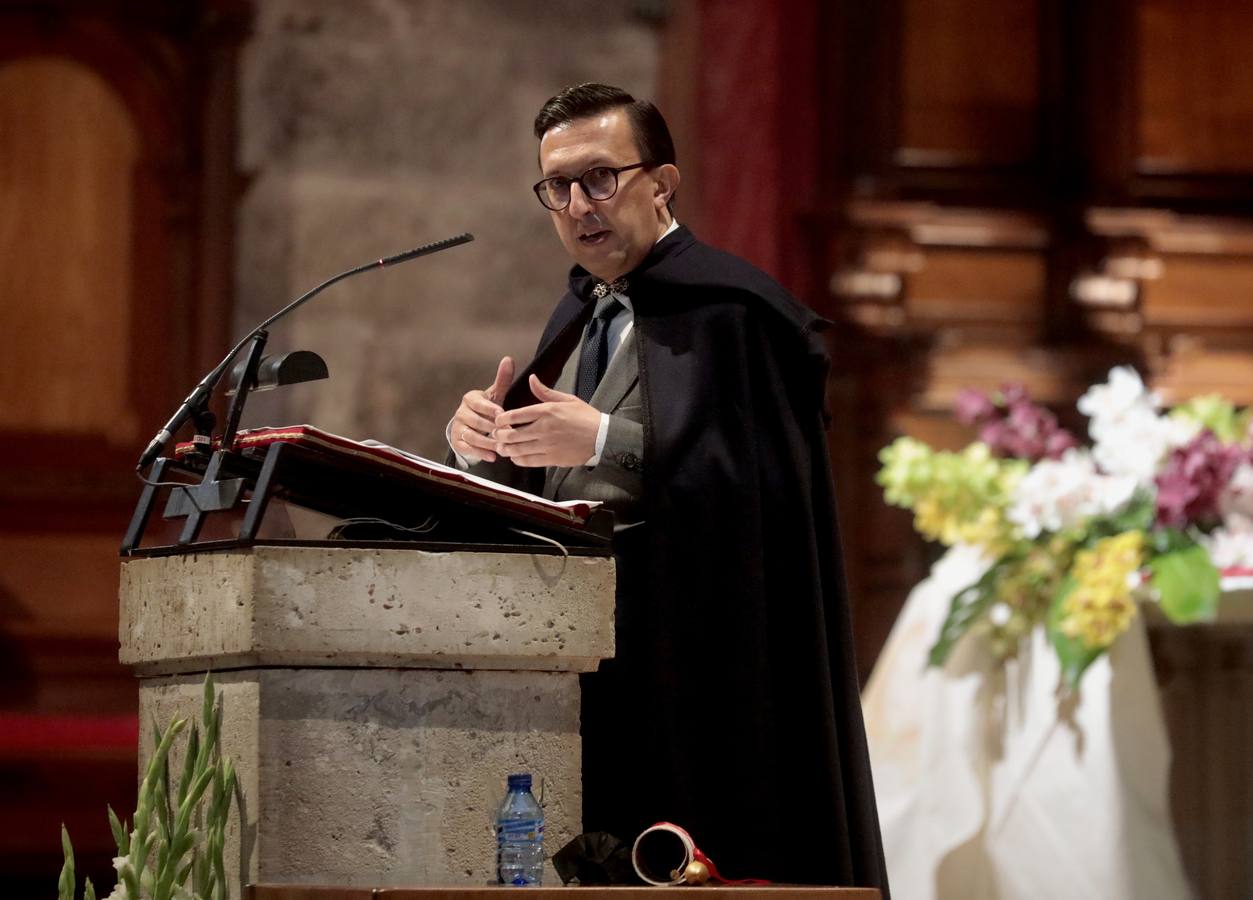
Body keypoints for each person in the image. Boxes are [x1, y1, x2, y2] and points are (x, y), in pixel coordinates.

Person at [447, 83, 887, 892]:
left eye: (600, 178)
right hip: (588, 643)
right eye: (558, 187)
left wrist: (606, 438)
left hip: (707, 651)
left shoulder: (734, 310)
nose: (579, 205)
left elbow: (768, 487)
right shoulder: (580, 314)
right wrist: (485, 443)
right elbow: (557, 478)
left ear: (662, 184)